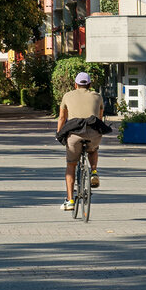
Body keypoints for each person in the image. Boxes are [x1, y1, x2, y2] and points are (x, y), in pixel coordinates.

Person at [56, 72, 108, 209]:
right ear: (90, 84)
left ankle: (70, 201)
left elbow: (62, 118)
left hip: (74, 134)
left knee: (71, 165)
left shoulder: (67, 96)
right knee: (93, 149)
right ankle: (94, 171)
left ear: (75, 84)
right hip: (93, 134)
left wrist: (58, 133)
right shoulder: (97, 96)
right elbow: (100, 117)